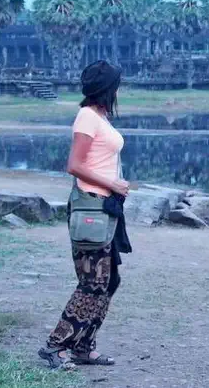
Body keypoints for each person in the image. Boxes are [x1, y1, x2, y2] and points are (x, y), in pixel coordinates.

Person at [38, 60, 132, 370]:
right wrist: (112, 182)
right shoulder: (87, 117)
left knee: (110, 280)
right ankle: (56, 346)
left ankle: (83, 346)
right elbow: (74, 165)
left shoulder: (101, 117)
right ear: (108, 89)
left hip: (105, 208)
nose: (119, 90)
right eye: (116, 85)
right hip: (90, 206)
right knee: (93, 282)